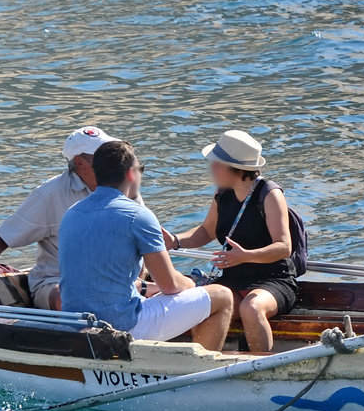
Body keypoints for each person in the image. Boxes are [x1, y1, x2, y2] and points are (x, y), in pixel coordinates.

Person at [0, 126, 177, 310]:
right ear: (81, 164)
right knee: (72, 299)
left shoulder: (125, 184)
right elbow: (5, 235)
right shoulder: (50, 193)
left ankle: (142, 291)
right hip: (59, 282)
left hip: (121, 279)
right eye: (102, 154)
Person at [58, 140, 233, 348]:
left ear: (96, 173)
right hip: (121, 325)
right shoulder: (137, 215)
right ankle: (200, 373)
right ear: (131, 174)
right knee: (222, 296)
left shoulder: (71, 214)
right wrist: (191, 285)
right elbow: (170, 285)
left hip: (74, 323)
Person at [171, 130, 298, 353]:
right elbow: (205, 232)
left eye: (217, 164)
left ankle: (262, 370)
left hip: (272, 280)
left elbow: (284, 247)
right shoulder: (222, 194)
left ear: (236, 169)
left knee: (251, 308)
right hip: (233, 280)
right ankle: (203, 367)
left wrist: (245, 256)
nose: (212, 168)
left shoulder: (269, 194)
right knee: (202, 306)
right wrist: (173, 241)